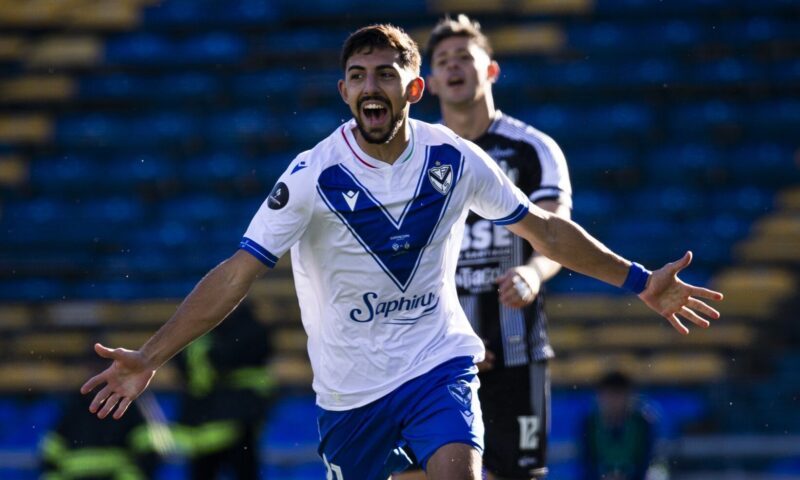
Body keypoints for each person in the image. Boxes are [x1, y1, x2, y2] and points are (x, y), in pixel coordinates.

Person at [79, 23, 723, 480]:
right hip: (349, 393)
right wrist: (150, 355)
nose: (371, 86)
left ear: (414, 89)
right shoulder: (310, 177)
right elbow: (237, 272)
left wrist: (639, 280)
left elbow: (545, 231)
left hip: (436, 362)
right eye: (358, 76)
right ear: (343, 92)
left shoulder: (454, 158)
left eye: (386, 74)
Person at [395, 14, 571, 480]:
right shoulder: (415, 156)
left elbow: (556, 233)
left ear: (490, 70)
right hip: (436, 356)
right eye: (442, 60)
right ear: (430, 82)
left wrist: (533, 272)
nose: (453, 66)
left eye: (464, 57)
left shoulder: (533, 149)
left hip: (516, 353)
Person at [173, 301, 275, 479]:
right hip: (226, 416)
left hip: (225, 416)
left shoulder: (200, 333)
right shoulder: (248, 327)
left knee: (221, 468)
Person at [580, 371, 660, 480]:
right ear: (600, 397)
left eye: (618, 395)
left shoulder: (642, 423)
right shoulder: (589, 424)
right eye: (609, 396)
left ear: (628, 397)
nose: (613, 402)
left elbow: (646, 462)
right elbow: (587, 464)